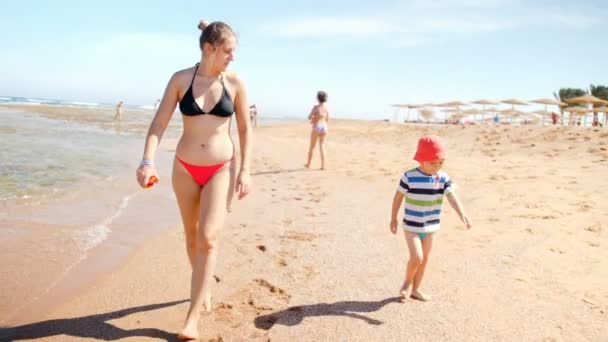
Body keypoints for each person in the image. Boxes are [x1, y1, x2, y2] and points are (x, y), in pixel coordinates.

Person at [135, 19, 252, 340]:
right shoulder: (180, 80)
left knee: (209, 238)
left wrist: (246, 169)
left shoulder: (235, 83)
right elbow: (159, 123)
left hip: (221, 168)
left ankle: (192, 318)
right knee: (191, 237)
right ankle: (203, 288)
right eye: (228, 51)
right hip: (185, 168)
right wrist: (147, 160)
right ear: (209, 48)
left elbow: (244, 129)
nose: (233, 57)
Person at [389, 135, 471, 301]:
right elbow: (398, 197)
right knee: (417, 257)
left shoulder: (443, 178)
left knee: (425, 260)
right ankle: (406, 283)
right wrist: (393, 218)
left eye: (440, 163)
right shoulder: (409, 176)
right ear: (421, 160)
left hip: (431, 226)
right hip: (412, 225)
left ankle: (416, 289)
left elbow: (452, 197)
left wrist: (462, 214)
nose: (437, 166)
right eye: (432, 163)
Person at [305, 91, 329, 170]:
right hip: (324, 127)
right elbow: (327, 119)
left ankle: (308, 164)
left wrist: (313, 120)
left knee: (312, 146)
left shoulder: (316, 107)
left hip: (317, 127)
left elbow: (309, 117)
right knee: (322, 146)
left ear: (317, 98)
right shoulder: (326, 108)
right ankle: (323, 166)